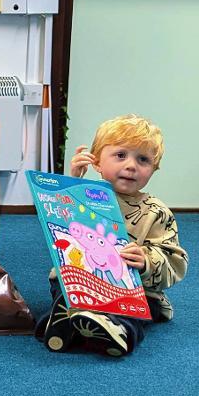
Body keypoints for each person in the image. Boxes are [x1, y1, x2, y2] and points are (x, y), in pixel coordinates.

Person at [37, 114, 188, 357]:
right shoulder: (81, 195)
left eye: (143, 160)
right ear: (96, 162)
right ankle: (68, 319)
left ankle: (117, 331)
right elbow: (57, 223)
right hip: (85, 277)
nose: (131, 166)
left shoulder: (156, 212)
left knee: (138, 310)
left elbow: (175, 261)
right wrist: (71, 181)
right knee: (63, 286)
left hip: (132, 289)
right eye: (120, 155)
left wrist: (147, 261)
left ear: (153, 169)